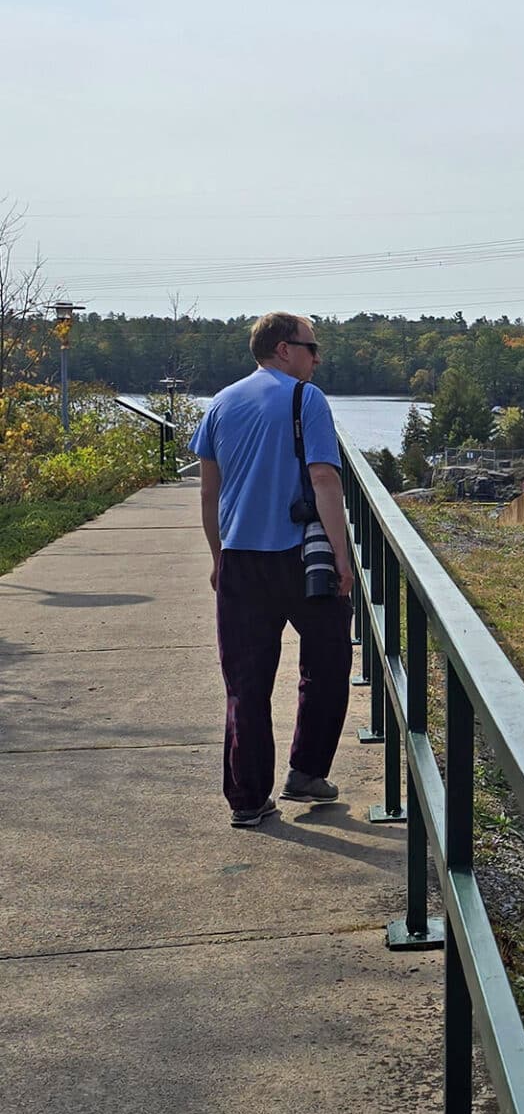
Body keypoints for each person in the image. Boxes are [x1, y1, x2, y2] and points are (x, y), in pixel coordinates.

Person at [191, 312, 356, 825]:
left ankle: (246, 799)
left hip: (240, 561)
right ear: (284, 349)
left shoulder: (220, 404)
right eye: (311, 347)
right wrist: (344, 557)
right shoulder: (305, 398)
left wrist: (219, 556)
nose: (317, 358)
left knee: (245, 681)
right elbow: (325, 480)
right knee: (328, 662)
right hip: (301, 559)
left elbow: (209, 490)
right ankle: (306, 771)